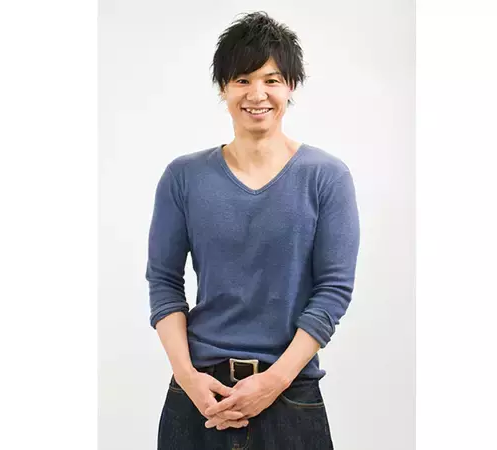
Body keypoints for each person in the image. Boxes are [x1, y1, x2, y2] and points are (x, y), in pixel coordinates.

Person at [146, 11, 360, 449]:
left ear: (291, 86)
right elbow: (164, 282)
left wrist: (274, 381)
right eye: (242, 80)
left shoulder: (327, 177)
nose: (257, 94)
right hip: (199, 395)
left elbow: (333, 291)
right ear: (223, 88)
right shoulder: (183, 177)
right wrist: (187, 377)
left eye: (271, 80)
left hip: (291, 395)